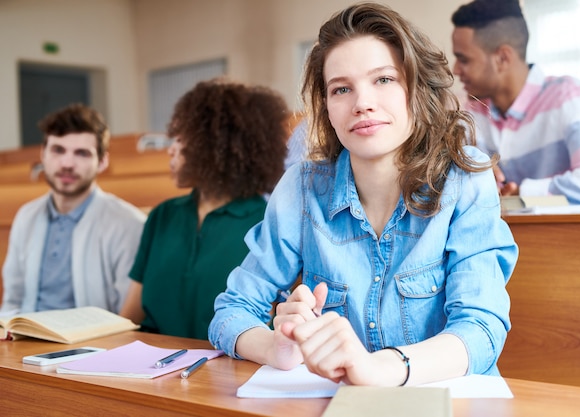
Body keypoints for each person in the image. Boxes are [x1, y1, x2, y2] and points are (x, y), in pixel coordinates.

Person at [209, 3, 518, 387]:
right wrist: (278, 347)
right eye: (341, 88)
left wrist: (381, 369)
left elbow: (481, 328)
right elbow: (231, 311)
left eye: (384, 79)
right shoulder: (302, 188)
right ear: (326, 107)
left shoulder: (463, 176)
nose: (362, 103)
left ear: (416, 86)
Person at [120, 78, 288, 340]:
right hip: (148, 367)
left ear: (216, 145)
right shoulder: (162, 216)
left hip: (225, 370)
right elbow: (131, 316)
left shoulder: (266, 223)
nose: (170, 150)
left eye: (180, 139)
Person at [451, 0, 580, 205]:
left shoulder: (571, 98)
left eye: (464, 60)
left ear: (503, 58)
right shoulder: (470, 113)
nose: (455, 70)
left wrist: (520, 193)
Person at [1, 104, 146, 314]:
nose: (67, 163)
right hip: (24, 342)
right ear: (43, 154)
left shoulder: (129, 224)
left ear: (102, 161)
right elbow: (12, 302)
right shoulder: (26, 215)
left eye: (82, 153)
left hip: (95, 344)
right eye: (58, 150)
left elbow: (127, 318)